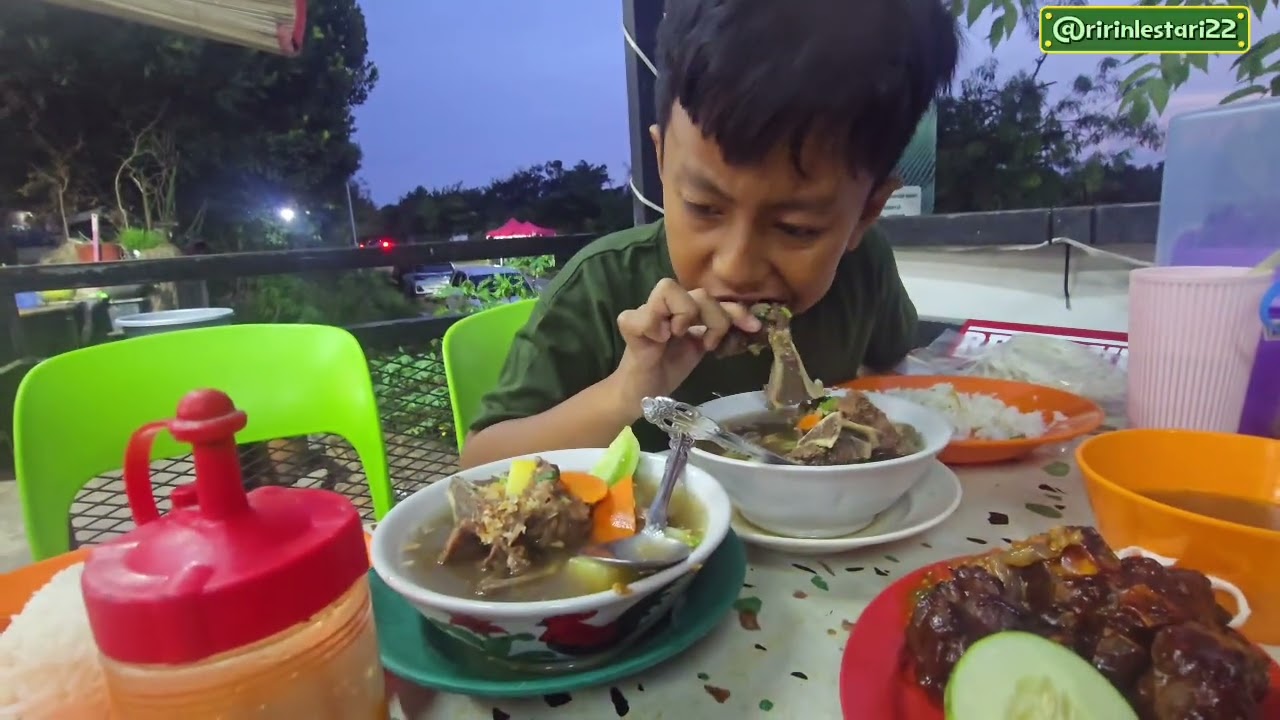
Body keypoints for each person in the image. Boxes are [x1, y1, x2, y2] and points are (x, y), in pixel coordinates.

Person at [460, 0, 960, 467]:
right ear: (662, 161)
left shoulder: (864, 267)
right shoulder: (599, 288)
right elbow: (480, 462)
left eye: (796, 228)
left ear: (866, 214)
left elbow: (894, 371)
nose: (735, 267)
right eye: (703, 208)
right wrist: (627, 391)